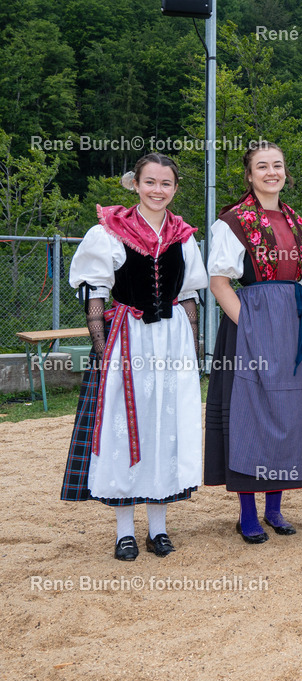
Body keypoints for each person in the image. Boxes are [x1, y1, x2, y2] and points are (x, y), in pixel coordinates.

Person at [62, 153, 208, 561]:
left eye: (166, 183)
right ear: (135, 185)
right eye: (150, 182)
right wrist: (101, 346)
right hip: (128, 341)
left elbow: (191, 294)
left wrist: (192, 347)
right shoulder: (109, 231)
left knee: (166, 426)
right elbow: (95, 294)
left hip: (172, 339)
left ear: (175, 188)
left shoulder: (183, 235)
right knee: (126, 430)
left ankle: (158, 528)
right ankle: (124, 531)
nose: (157, 190)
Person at [205, 140, 302, 544]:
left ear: (286, 172)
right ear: (250, 174)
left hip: (291, 324)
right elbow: (219, 282)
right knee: (250, 415)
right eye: (262, 166)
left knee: (286, 414)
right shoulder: (233, 221)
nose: (272, 172)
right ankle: (248, 513)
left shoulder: (298, 222)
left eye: (278, 165)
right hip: (251, 324)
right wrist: (250, 328)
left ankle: (275, 509)